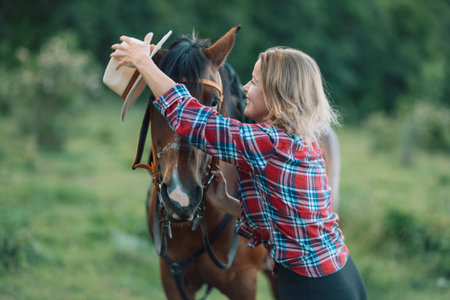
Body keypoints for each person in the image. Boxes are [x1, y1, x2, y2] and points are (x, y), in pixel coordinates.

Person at [111, 32, 367, 300]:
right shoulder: (300, 141)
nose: (244, 87)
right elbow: (284, 224)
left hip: (312, 288)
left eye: (254, 82)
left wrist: (144, 62)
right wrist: (228, 204)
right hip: (340, 275)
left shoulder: (269, 143)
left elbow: (192, 119)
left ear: (277, 94)